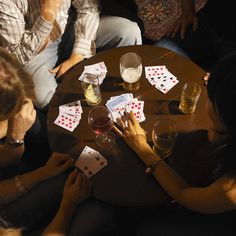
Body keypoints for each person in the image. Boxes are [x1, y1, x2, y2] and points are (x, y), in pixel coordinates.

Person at [113, 51, 236, 234]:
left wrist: (143, 148)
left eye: (211, 98)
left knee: (146, 229)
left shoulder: (229, 190)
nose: (206, 100)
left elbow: (183, 195)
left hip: (217, 221)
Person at [0, 0, 142, 109]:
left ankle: (122, 94)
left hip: (70, 28)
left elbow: (88, 6)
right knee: (44, 97)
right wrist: (46, 17)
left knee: (129, 32)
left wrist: (78, 54)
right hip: (35, 50)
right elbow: (17, 55)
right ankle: (88, 121)